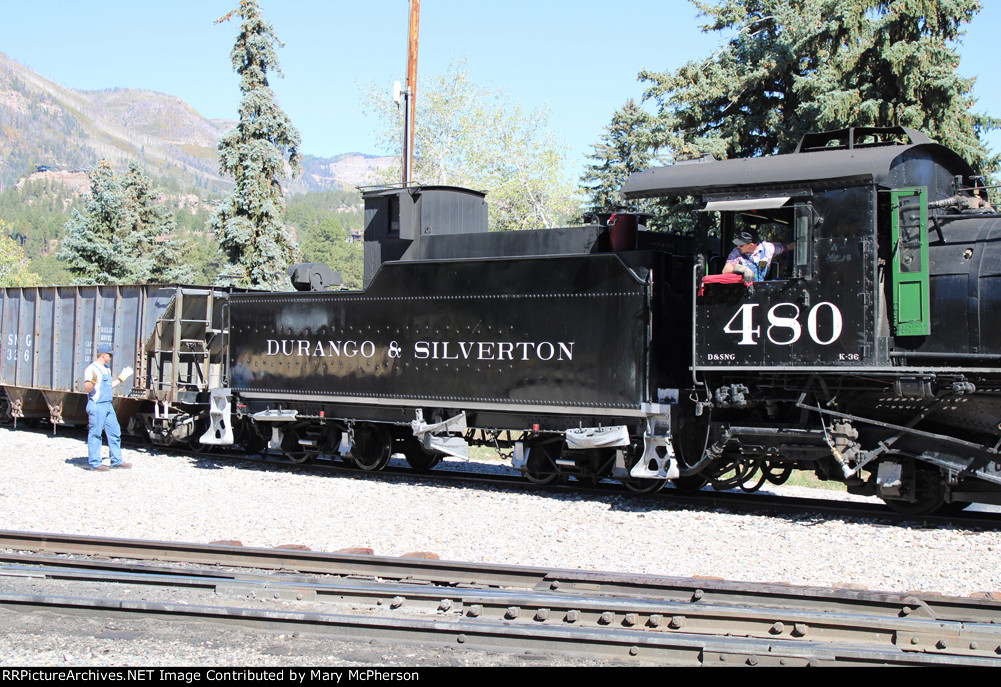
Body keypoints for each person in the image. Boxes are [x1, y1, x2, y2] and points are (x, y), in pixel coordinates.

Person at [83, 344, 133, 471]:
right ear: (103, 355)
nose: (111, 357)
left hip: (107, 405)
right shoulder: (91, 369)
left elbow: (109, 386)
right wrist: (93, 381)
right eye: (110, 355)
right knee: (95, 434)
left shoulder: (106, 369)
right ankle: (95, 463)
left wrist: (122, 378)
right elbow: (87, 388)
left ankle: (116, 460)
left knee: (114, 432)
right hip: (97, 405)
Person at [722, 228, 793, 283]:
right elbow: (725, 270)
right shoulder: (737, 252)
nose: (738, 246)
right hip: (744, 290)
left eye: (741, 245)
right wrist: (743, 269)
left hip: (761, 287)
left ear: (751, 245)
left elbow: (787, 247)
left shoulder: (767, 248)